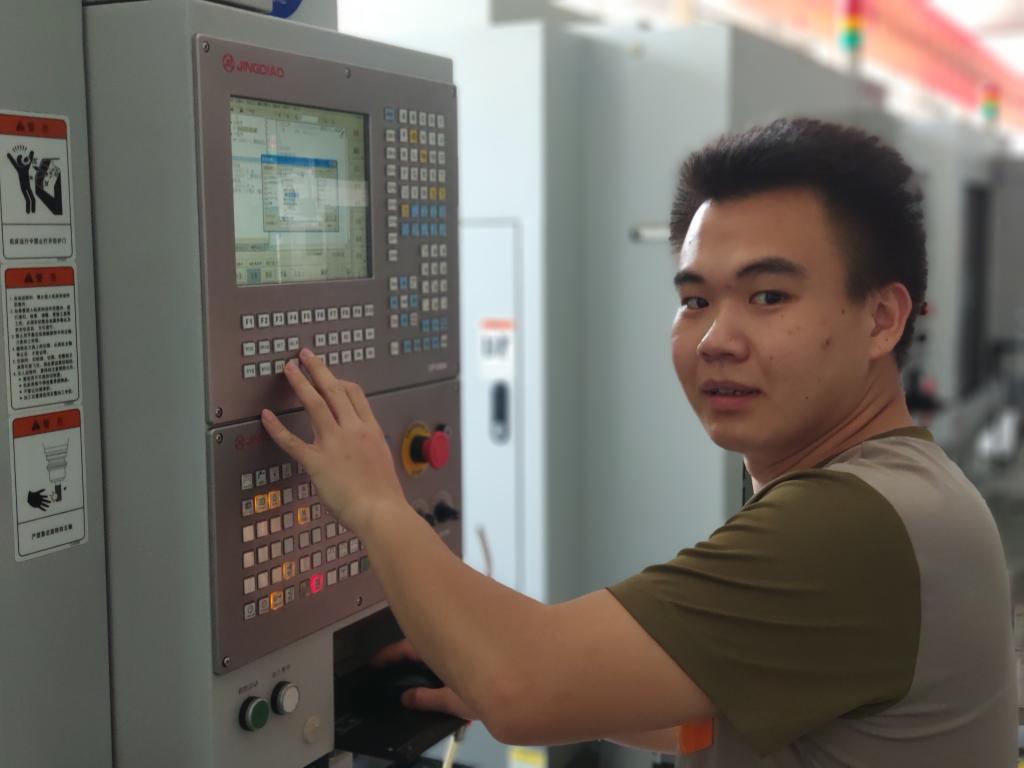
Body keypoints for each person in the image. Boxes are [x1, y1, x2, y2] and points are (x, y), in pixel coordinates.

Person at [261, 118, 1016, 766]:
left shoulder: (853, 521)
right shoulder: (904, 486)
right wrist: (502, 671)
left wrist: (375, 502)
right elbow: (726, 707)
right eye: (695, 300)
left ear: (883, 319)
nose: (716, 339)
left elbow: (523, 686)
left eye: (768, 296)